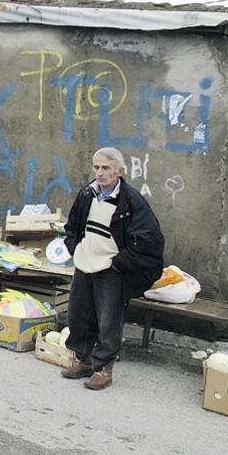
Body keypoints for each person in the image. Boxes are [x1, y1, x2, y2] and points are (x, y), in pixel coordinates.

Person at [61, 147, 164, 391]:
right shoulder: (87, 194)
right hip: (84, 265)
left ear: (120, 171)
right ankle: (84, 360)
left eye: (106, 168)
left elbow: (149, 238)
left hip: (111, 270)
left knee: (109, 320)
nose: (100, 173)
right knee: (78, 315)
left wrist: (119, 262)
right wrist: (75, 248)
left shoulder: (131, 201)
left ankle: (103, 369)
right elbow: (72, 225)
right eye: (96, 167)